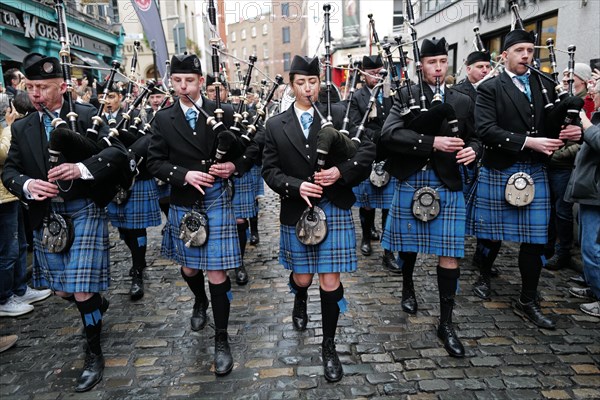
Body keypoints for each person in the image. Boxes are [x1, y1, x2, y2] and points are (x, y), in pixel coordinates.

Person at [2, 53, 130, 392]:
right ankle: (95, 307)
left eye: (43, 87)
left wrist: (82, 169)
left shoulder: (88, 115)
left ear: (62, 84)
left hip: (84, 206)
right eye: (30, 87)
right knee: (62, 289)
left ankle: (93, 352)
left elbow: (119, 155)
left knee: (82, 288)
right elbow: (10, 171)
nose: (35, 94)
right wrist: (28, 185)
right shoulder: (22, 126)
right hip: (47, 215)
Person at [262, 55, 376, 382]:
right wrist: (297, 186)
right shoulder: (275, 125)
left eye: (313, 81)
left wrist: (341, 170)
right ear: (292, 85)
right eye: (301, 82)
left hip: (335, 205)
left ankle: (329, 346)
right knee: (303, 278)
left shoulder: (338, 115)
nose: (308, 88)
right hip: (298, 209)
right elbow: (270, 171)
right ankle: (299, 295)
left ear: (319, 82)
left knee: (330, 281)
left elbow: (367, 150)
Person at [147, 53, 256, 376]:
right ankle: (199, 301)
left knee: (217, 273)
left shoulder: (223, 112)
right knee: (190, 269)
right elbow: (154, 162)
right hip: (184, 199)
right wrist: (183, 175)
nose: (183, 87)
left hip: (217, 198)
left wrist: (234, 166)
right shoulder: (163, 119)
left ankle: (221, 339)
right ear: (171, 82)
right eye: (177, 81)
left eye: (190, 81)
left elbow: (251, 149)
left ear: (201, 82)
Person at [467, 29, 581, 329]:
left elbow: (552, 123)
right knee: (490, 233)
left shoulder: (544, 83)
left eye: (531, 50)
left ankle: (528, 298)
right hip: (501, 166)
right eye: (520, 51)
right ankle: (483, 274)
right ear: (504, 55)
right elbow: (485, 130)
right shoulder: (490, 88)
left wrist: (569, 131)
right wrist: (529, 142)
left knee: (535, 239)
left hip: (535, 168)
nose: (527, 56)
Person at [379, 37, 479, 358]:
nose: (437, 68)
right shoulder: (405, 96)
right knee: (409, 245)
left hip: (448, 183)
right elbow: (389, 135)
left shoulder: (462, 100)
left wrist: (473, 151)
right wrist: (431, 142)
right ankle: (408, 285)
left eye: (442, 62)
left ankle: (446, 323)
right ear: (420, 65)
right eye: (431, 62)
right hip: (414, 177)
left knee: (450, 252)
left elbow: (478, 136)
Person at [104, 81, 162, 301]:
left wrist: (126, 143)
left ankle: (137, 271)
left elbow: (150, 141)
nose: (107, 101)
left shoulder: (140, 115)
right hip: (113, 179)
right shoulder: (98, 117)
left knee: (137, 228)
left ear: (120, 97)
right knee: (123, 230)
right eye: (104, 97)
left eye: (111, 96)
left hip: (138, 176)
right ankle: (138, 256)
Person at [1, 96, 52, 318]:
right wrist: (11, 127)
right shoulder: (9, 128)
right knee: (7, 250)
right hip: (2, 198)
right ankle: (4, 297)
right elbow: (4, 153)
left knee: (19, 244)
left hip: (7, 197)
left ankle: (20, 289)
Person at [349, 55, 400, 272]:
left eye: (380, 71)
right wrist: (377, 134)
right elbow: (353, 124)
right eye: (372, 72)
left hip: (390, 155)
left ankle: (389, 251)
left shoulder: (391, 95)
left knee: (389, 206)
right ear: (363, 74)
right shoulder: (356, 97)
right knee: (367, 202)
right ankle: (366, 237)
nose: (377, 76)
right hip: (368, 155)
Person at [453, 51, 502, 277]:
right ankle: (454, 252)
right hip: (466, 163)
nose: (484, 70)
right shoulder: (457, 93)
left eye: (487, 66)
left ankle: (484, 259)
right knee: (461, 211)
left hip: (492, 159)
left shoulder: (497, 90)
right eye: (480, 66)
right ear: (468, 68)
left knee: (489, 216)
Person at [545, 63, 595, 270]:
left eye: (570, 79)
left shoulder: (587, 104)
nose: (565, 82)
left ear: (582, 81)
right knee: (551, 209)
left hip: (565, 165)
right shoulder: (563, 99)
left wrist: (558, 154)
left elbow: (585, 140)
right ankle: (548, 248)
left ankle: (563, 252)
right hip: (553, 160)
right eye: (564, 79)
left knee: (563, 211)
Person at [565, 80, 600, 317]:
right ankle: (594, 288)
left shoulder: (592, 120)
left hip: (597, 193)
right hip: (591, 192)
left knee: (592, 248)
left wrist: (584, 122)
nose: (592, 93)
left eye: (597, 90)